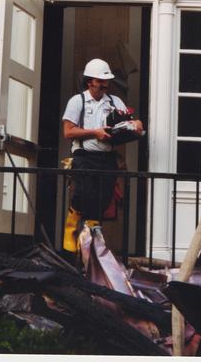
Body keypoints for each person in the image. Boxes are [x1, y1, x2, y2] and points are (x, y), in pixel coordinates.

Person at [62, 58, 144, 254]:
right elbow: (68, 132)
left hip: (107, 157)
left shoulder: (115, 101)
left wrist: (136, 125)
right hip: (84, 155)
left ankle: (91, 239)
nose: (104, 85)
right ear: (89, 81)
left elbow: (128, 123)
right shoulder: (78, 101)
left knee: (103, 198)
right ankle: (70, 230)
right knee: (83, 192)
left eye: (106, 81)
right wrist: (95, 132)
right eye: (100, 81)